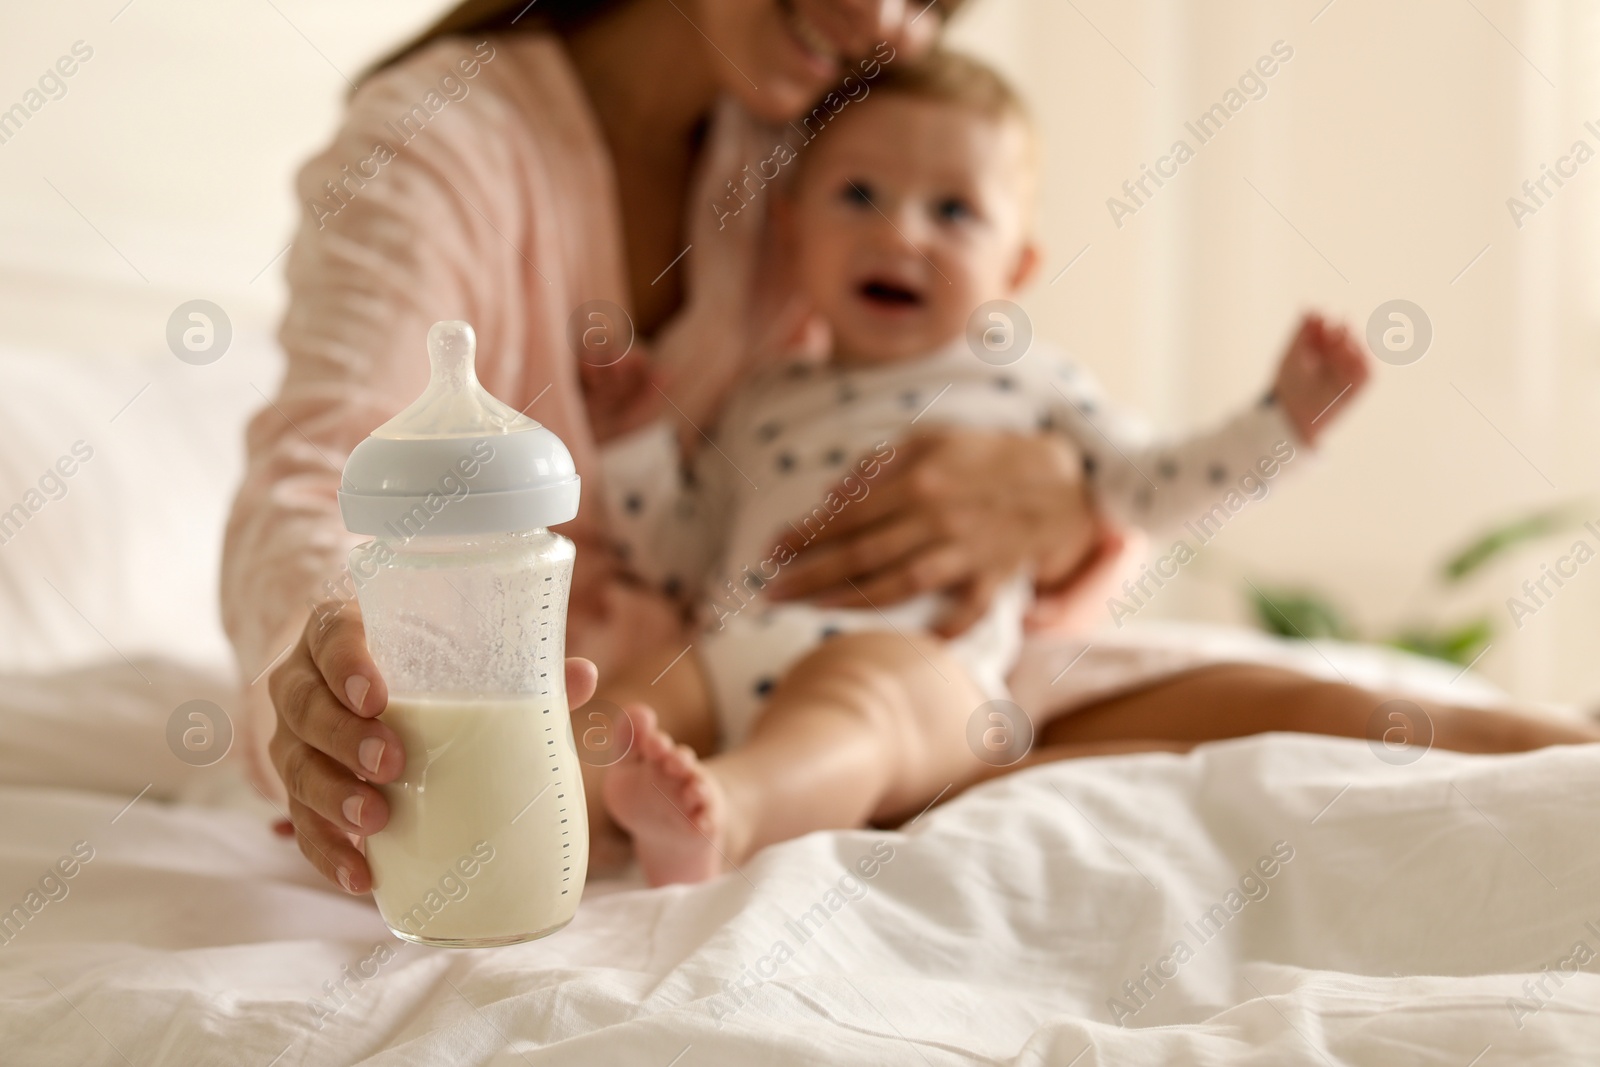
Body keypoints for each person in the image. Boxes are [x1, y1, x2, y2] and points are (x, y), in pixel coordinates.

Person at [584, 50, 1600, 885]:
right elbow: (679, 552)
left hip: (922, 672)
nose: (900, 232)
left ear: (1015, 266)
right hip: (732, 649)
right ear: (792, 229)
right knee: (624, 706)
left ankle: (727, 809)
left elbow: (1153, 488)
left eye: (953, 213)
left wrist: (1281, 422)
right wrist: (633, 443)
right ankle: (539, 808)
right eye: (860, 195)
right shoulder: (762, 399)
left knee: (857, 704)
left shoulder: (1029, 380)